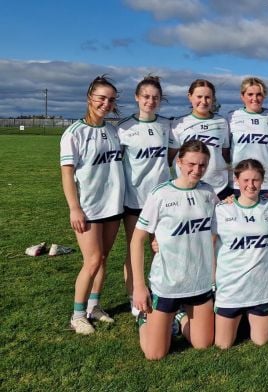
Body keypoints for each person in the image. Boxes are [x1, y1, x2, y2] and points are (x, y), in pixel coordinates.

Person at [131, 140, 217, 360]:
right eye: (191, 164)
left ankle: (178, 316)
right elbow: (137, 239)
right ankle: (144, 319)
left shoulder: (208, 193)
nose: (196, 170)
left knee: (203, 344)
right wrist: (140, 287)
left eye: (202, 165)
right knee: (155, 354)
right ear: (179, 162)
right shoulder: (160, 194)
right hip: (168, 283)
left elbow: (218, 231)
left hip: (199, 281)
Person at [60, 75, 125, 335]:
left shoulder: (112, 130)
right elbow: (67, 173)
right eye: (101, 98)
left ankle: (94, 306)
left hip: (113, 206)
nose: (106, 103)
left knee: (103, 259)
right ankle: (77, 315)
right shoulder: (74, 133)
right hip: (89, 207)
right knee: (93, 259)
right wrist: (74, 208)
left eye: (110, 99)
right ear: (90, 98)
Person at [118, 75, 172, 317]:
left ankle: (165, 293)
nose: (150, 101)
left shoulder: (166, 125)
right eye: (146, 97)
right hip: (135, 199)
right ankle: (135, 298)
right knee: (134, 249)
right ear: (137, 98)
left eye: (155, 98)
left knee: (161, 247)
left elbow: (171, 156)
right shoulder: (124, 127)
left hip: (162, 200)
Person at [213, 159, 268, 347]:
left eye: (256, 180)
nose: (251, 185)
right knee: (222, 345)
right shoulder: (222, 210)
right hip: (230, 288)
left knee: (261, 341)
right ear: (236, 181)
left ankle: (247, 316)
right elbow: (206, 244)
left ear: (262, 181)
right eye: (246, 180)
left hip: (262, 287)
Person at [170, 79, 232, 199]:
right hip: (188, 188)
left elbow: (224, 154)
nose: (203, 101)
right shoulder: (178, 123)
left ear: (213, 98)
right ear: (190, 96)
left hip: (218, 188)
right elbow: (171, 157)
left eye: (208, 97)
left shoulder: (222, 122)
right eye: (199, 96)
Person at [227, 77, 268, 197]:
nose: (254, 98)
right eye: (250, 94)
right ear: (242, 96)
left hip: (267, 182)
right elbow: (226, 149)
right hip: (239, 181)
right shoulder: (232, 117)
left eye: (259, 94)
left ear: (264, 95)